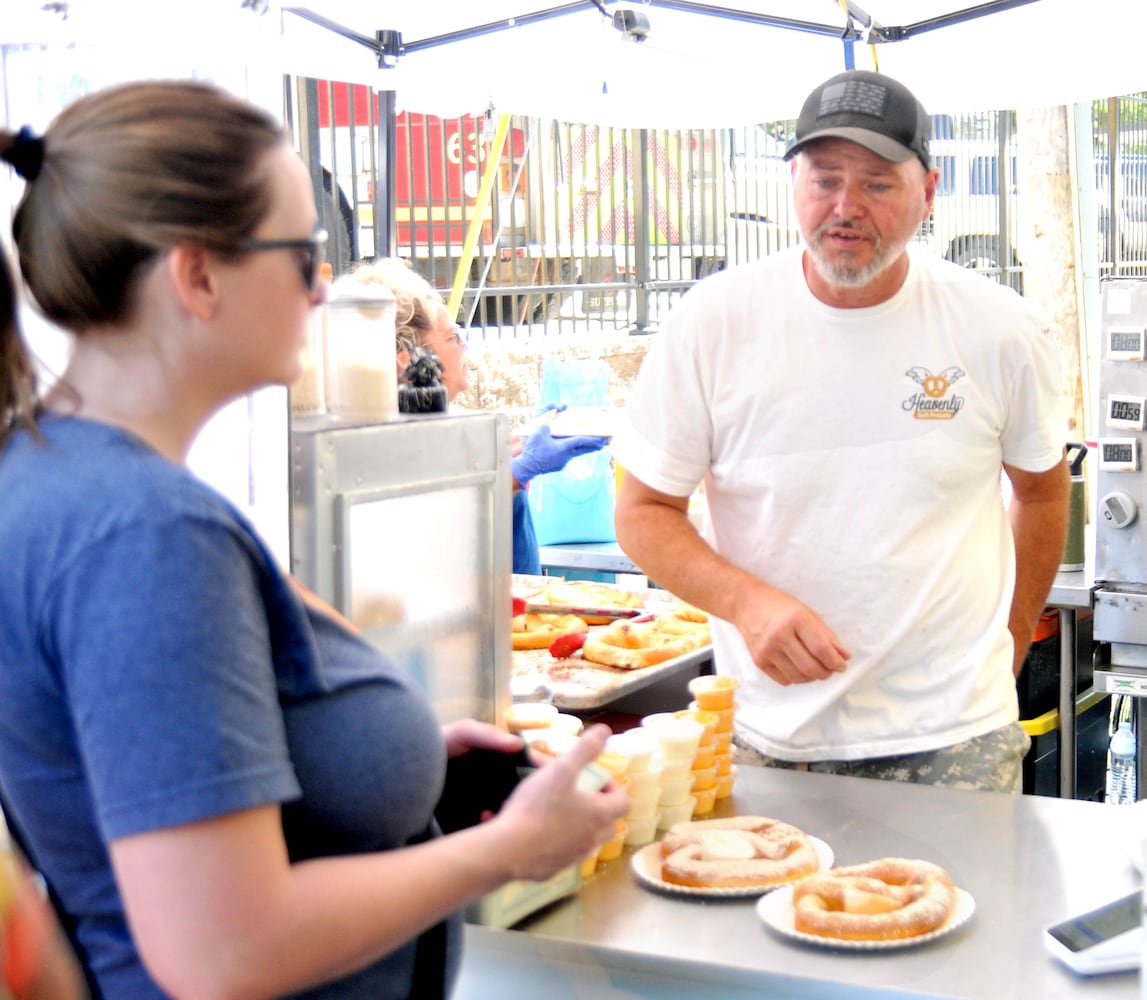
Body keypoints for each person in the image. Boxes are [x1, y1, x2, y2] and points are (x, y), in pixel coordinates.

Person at [0, 80, 629, 1000]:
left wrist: (364, 749)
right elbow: (223, 950)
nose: (323, 287)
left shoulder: (51, 471)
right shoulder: (146, 532)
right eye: (300, 255)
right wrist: (508, 850)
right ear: (198, 274)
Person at [611, 69, 1070, 793]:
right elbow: (641, 513)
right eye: (824, 180)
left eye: (877, 184)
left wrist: (1009, 642)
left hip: (955, 741)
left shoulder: (997, 327)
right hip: (765, 737)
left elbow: (1042, 492)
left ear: (928, 190)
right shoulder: (712, 321)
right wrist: (745, 604)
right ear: (792, 181)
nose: (845, 207)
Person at [347, 258, 609, 575]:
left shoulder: (431, 426)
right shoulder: (386, 442)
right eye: (452, 338)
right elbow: (436, 539)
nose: (464, 347)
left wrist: (518, 446)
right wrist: (513, 475)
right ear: (407, 360)